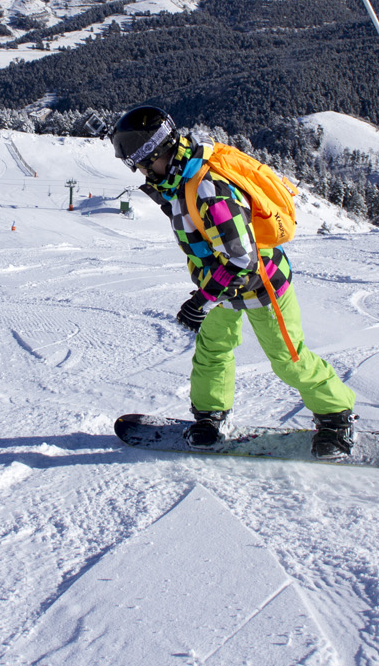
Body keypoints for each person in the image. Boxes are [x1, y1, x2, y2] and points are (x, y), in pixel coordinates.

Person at [111, 105, 359, 458]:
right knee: (213, 351)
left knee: (289, 357)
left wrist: (202, 300)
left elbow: (243, 260)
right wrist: (208, 294)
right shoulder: (179, 179)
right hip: (221, 288)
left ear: (155, 154)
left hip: (262, 285)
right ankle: (210, 417)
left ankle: (336, 417)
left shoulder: (208, 189)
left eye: (138, 162)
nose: (139, 170)